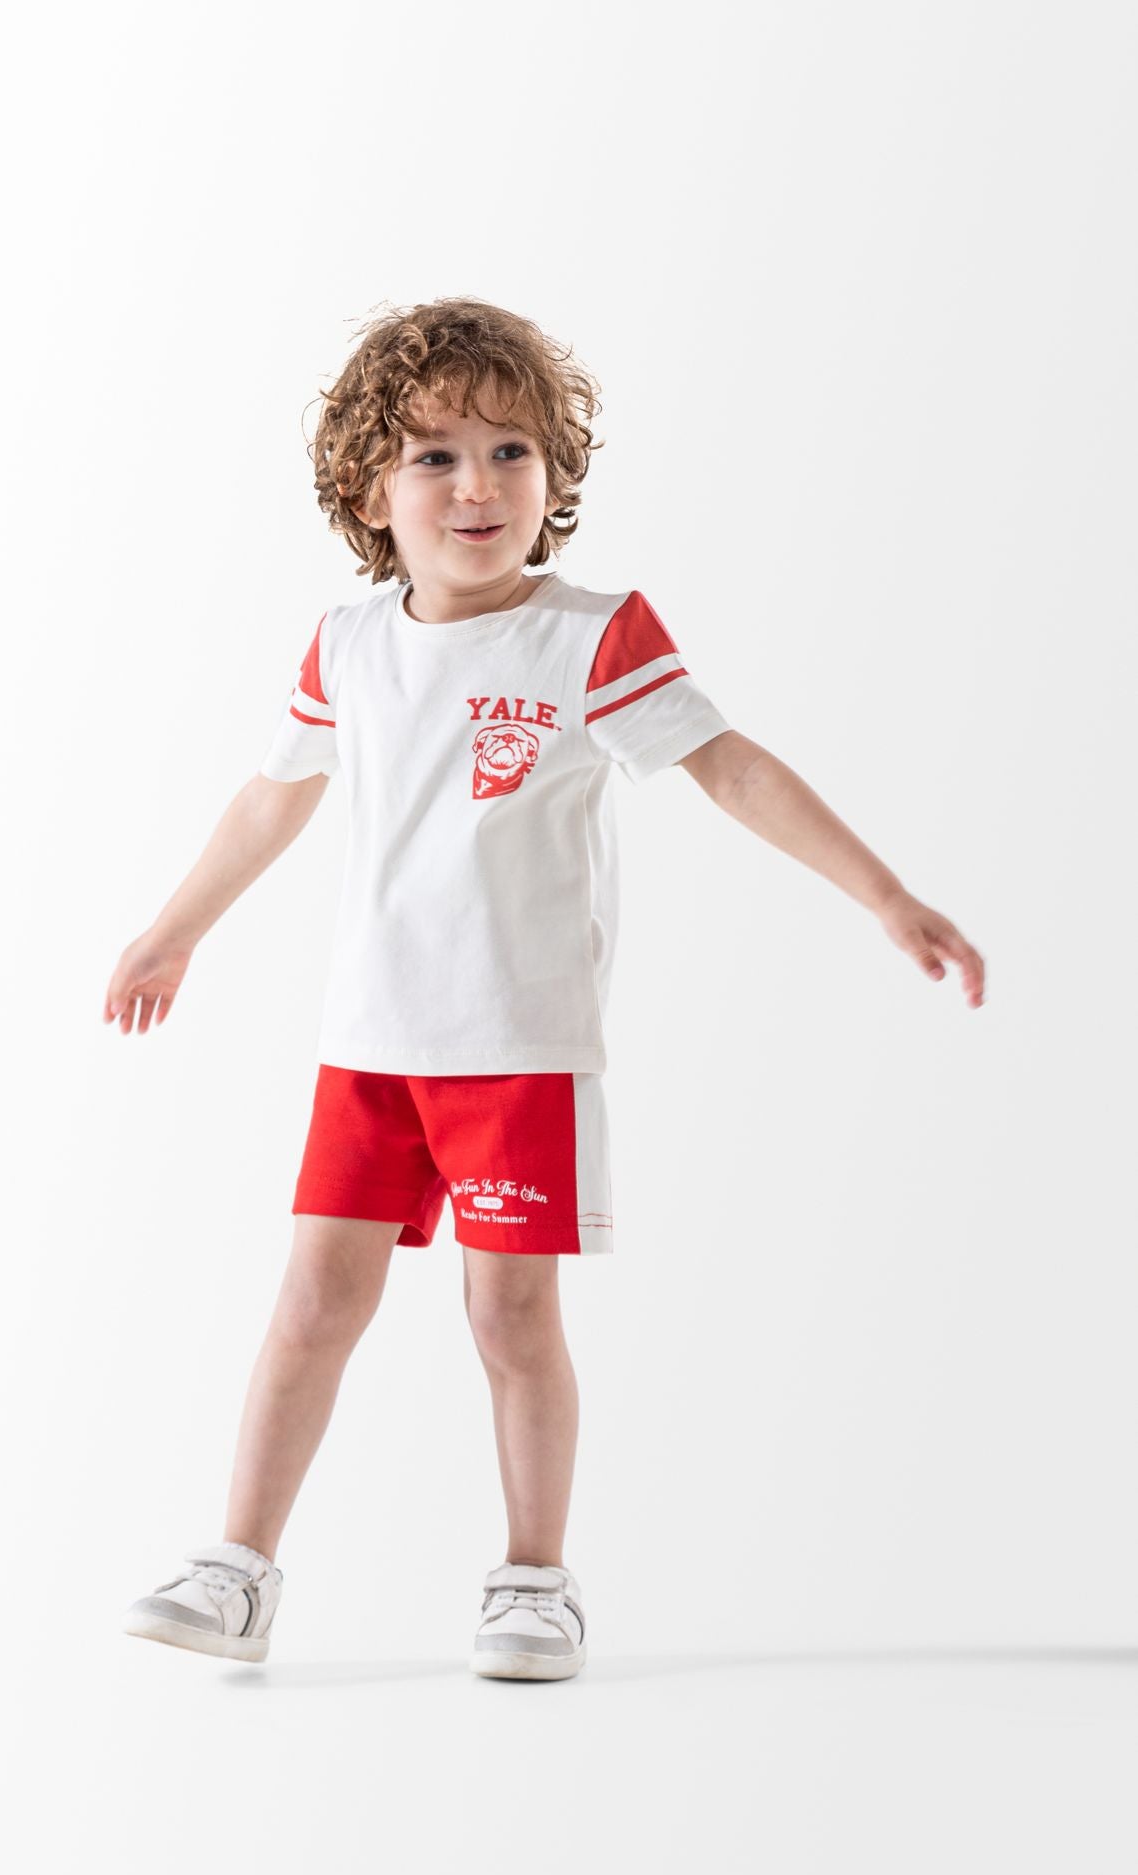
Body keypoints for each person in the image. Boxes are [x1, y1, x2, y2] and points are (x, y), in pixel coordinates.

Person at [105, 297, 986, 1681]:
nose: (480, 486)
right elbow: (273, 796)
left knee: (511, 1317)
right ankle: (240, 1566)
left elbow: (729, 765)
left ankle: (534, 1580)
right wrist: (174, 931)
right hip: (369, 1049)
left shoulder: (590, 637)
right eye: (437, 456)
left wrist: (884, 893)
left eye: (512, 451)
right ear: (369, 491)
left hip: (517, 1049)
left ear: (553, 476)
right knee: (311, 1309)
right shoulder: (347, 641)